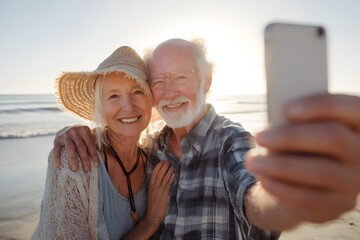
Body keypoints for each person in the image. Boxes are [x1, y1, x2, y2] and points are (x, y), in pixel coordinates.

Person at [53, 39, 360, 239]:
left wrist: (291, 197)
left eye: (181, 77)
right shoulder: (152, 148)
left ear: (206, 81)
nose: (170, 92)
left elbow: (253, 194)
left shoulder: (230, 140)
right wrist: (77, 132)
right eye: (159, 81)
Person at [32, 46, 175, 239]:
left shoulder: (153, 157)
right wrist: (150, 222)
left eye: (138, 91)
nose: (128, 106)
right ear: (100, 107)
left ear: (150, 100)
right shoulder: (73, 162)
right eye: (113, 96)